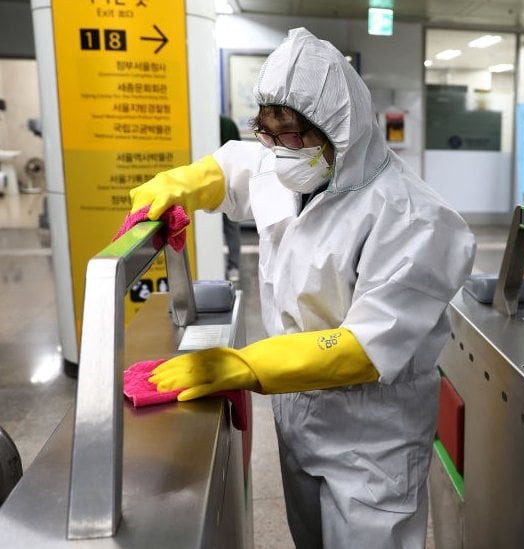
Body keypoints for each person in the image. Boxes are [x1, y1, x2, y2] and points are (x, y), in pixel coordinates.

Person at [127, 28, 476, 548]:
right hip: (299, 418)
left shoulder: (414, 218)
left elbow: (365, 347)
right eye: (268, 131)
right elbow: (234, 167)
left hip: (372, 440)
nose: (277, 148)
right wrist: (183, 183)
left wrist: (247, 365)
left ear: (341, 129)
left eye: (292, 134)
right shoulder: (291, 166)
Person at [219, 114, 242, 282]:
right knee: (232, 226)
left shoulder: (202, 126)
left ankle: (227, 265)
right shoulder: (229, 125)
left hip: (213, 185)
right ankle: (234, 267)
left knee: (214, 227)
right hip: (230, 184)